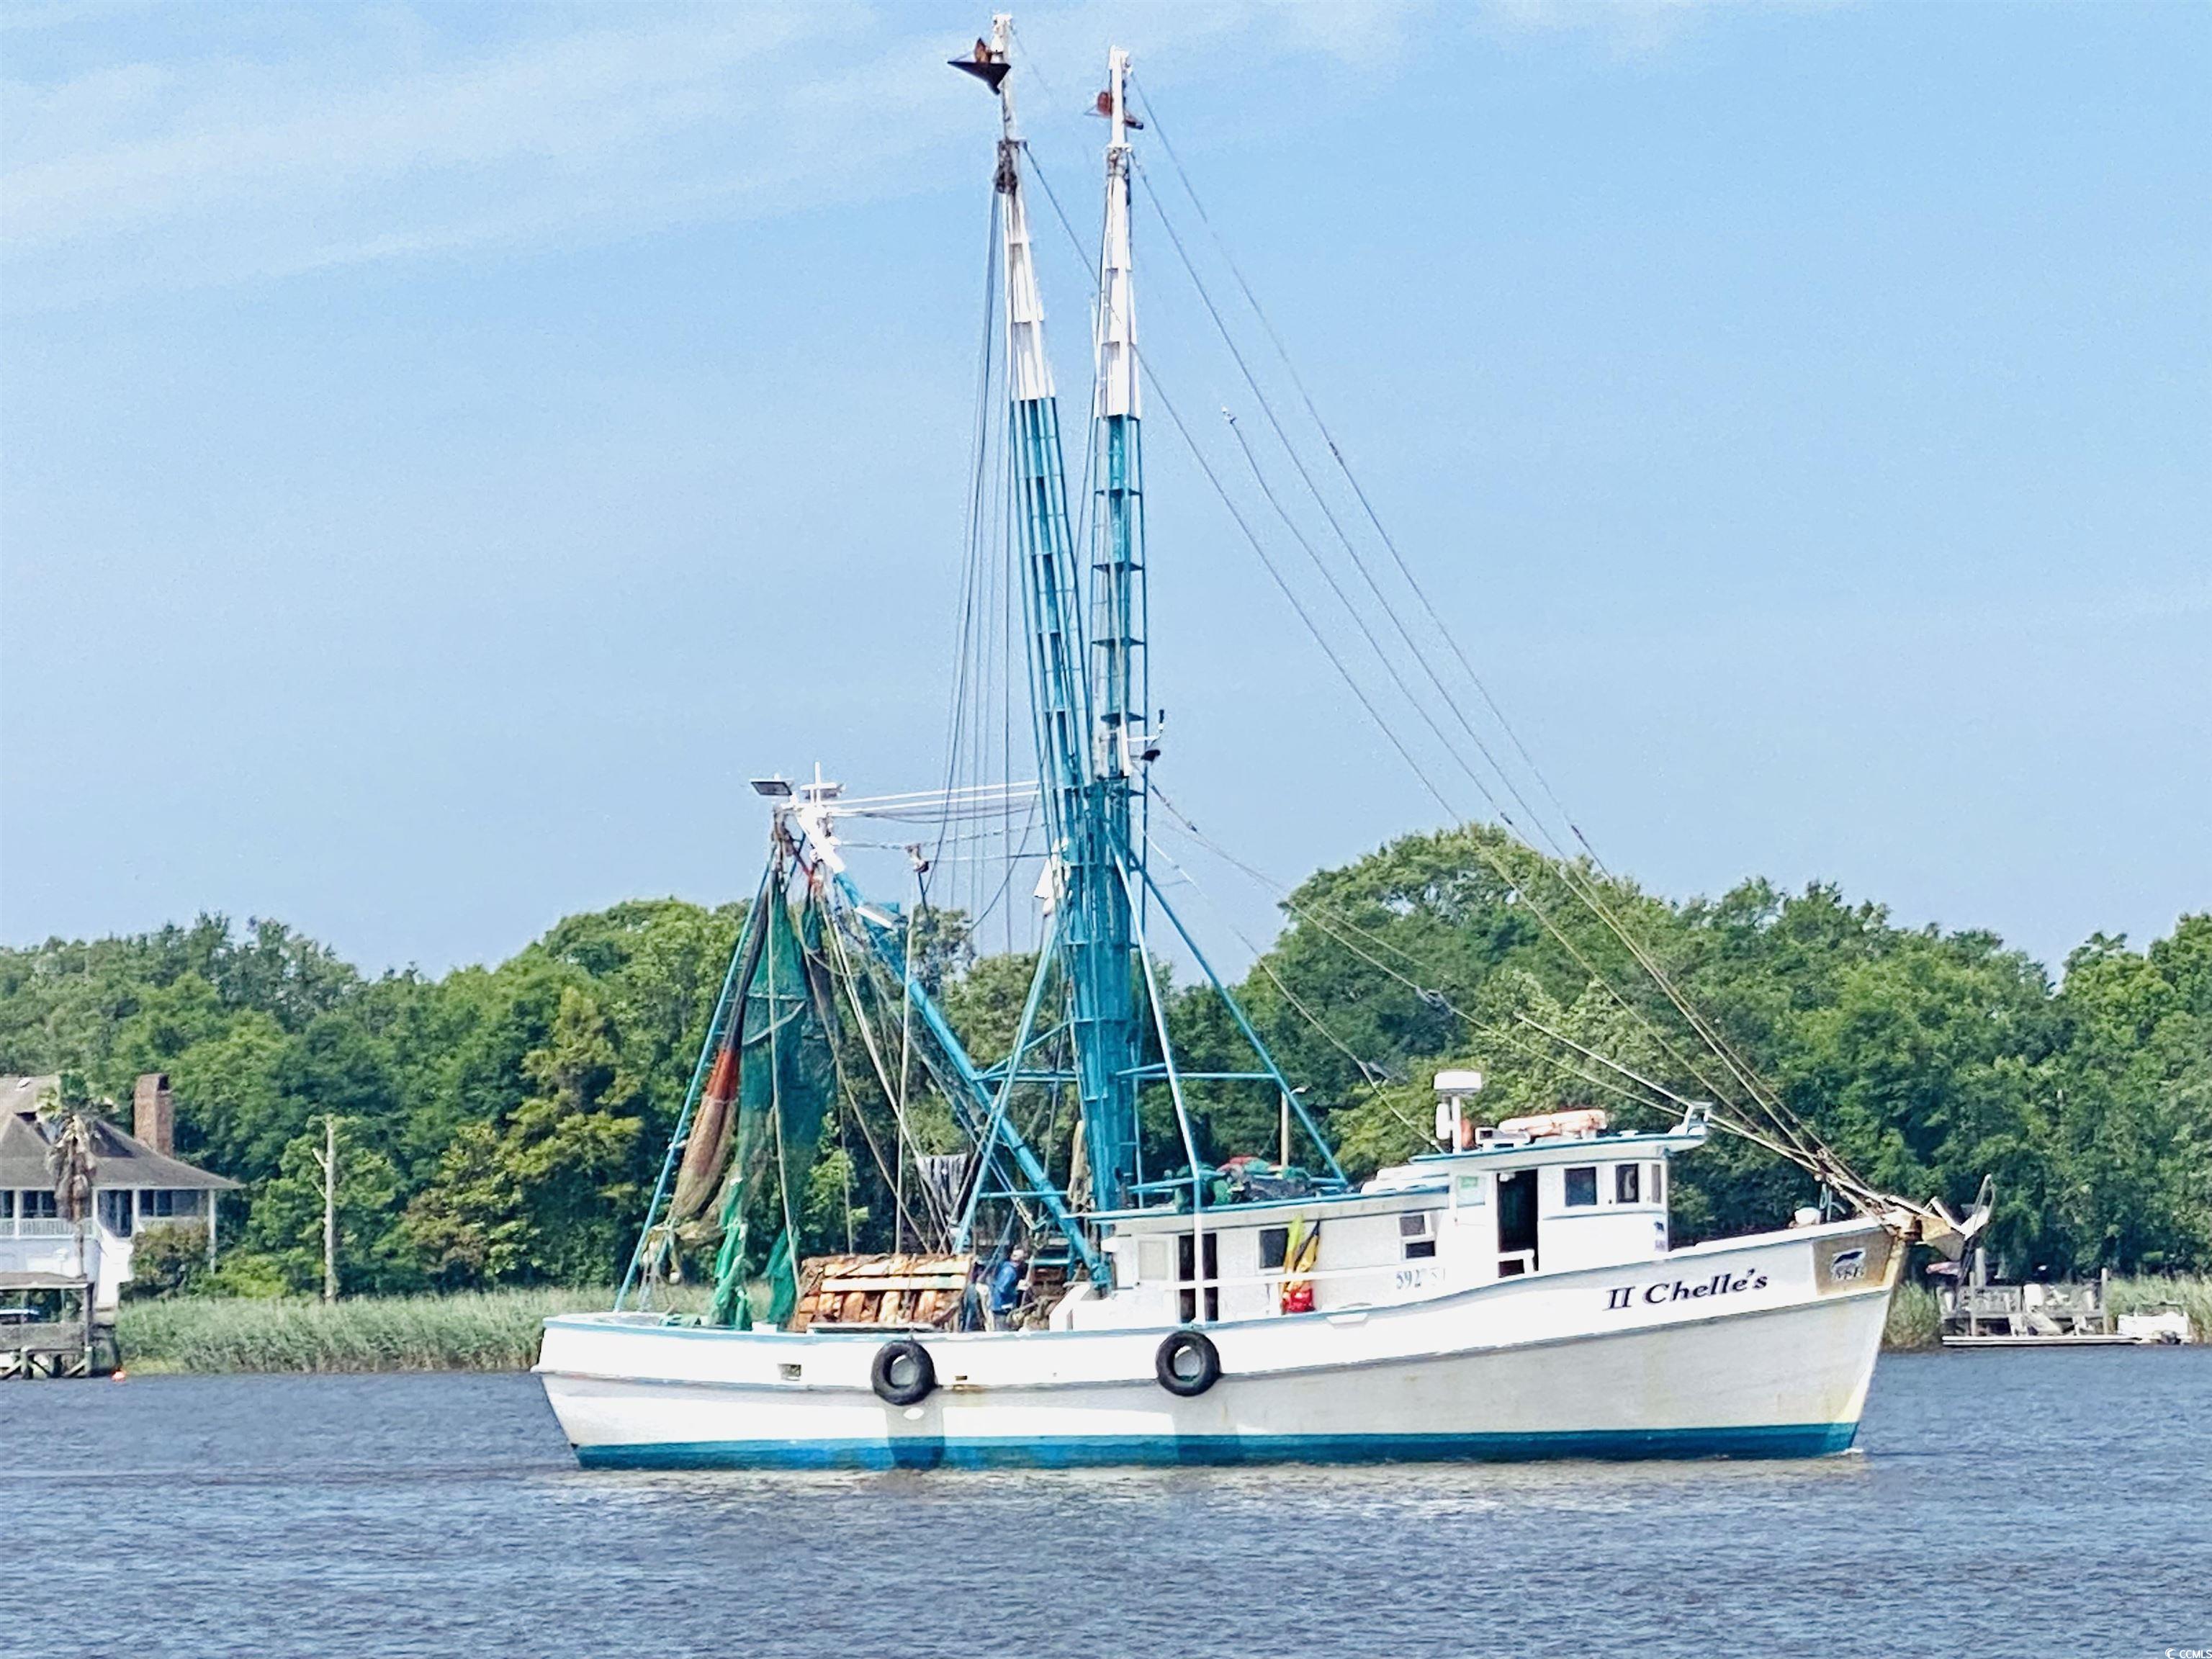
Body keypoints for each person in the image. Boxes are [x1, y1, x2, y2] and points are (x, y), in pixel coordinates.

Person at [986, 1243, 1029, 1331]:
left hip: (1000, 1306)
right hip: (1002, 1307)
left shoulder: (1005, 1267)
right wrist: (1017, 1289)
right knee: (1003, 1331)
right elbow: (1002, 1288)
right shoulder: (1010, 1271)